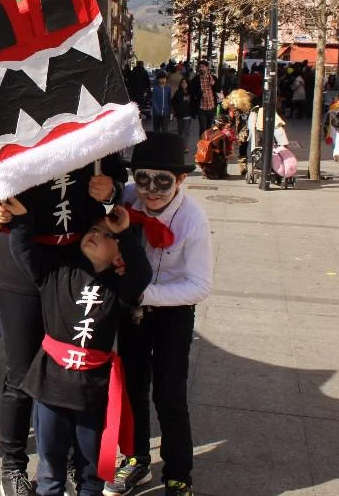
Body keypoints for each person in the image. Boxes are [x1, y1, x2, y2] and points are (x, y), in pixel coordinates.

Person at [0, 156, 127, 496]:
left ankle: (76, 460)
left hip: (79, 259)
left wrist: (111, 191)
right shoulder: (5, 129)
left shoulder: (88, 127)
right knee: (20, 371)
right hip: (20, 261)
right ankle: (13, 465)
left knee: (75, 366)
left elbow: (118, 177)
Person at [1, 201, 150, 496]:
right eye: (93, 229)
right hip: (51, 386)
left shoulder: (118, 288)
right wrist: (22, 217)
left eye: (107, 235)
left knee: (91, 470)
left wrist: (125, 232)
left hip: (92, 390)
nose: (96, 235)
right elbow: (24, 251)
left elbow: (142, 275)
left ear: (118, 254)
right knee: (50, 468)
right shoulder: (57, 272)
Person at [106, 133, 213, 496]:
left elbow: (199, 285)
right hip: (132, 311)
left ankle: (179, 474)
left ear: (180, 179)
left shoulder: (192, 220)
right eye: (143, 178)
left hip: (172, 313)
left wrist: (144, 294)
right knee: (133, 387)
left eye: (162, 181)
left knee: (170, 395)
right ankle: (135, 458)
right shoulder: (127, 199)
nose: (151, 191)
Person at [190, 62, 216, 135]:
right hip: (201, 107)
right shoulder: (195, 79)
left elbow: (218, 89)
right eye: (200, 67)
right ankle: (202, 141)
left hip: (211, 106)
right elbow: (192, 91)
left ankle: (208, 141)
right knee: (203, 127)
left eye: (203, 67)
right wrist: (201, 94)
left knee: (209, 127)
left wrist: (214, 84)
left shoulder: (213, 77)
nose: (201, 68)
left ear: (207, 68)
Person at [173, 78, 193, 148]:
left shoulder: (191, 93)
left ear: (188, 84)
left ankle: (185, 146)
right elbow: (174, 102)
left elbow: (193, 103)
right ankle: (180, 145)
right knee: (180, 131)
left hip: (188, 114)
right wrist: (183, 99)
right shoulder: (178, 92)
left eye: (185, 83)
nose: (184, 84)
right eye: (182, 83)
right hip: (179, 115)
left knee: (186, 131)